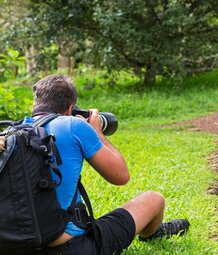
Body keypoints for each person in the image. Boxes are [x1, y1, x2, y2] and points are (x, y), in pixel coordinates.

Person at [23, 74, 190, 255]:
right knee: (154, 199)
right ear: (70, 108)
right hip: (70, 248)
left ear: (34, 106)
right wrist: (96, 132)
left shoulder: (11, 134)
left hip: (16, 245)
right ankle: (152, 233)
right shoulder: (73, 126)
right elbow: (121, 176)